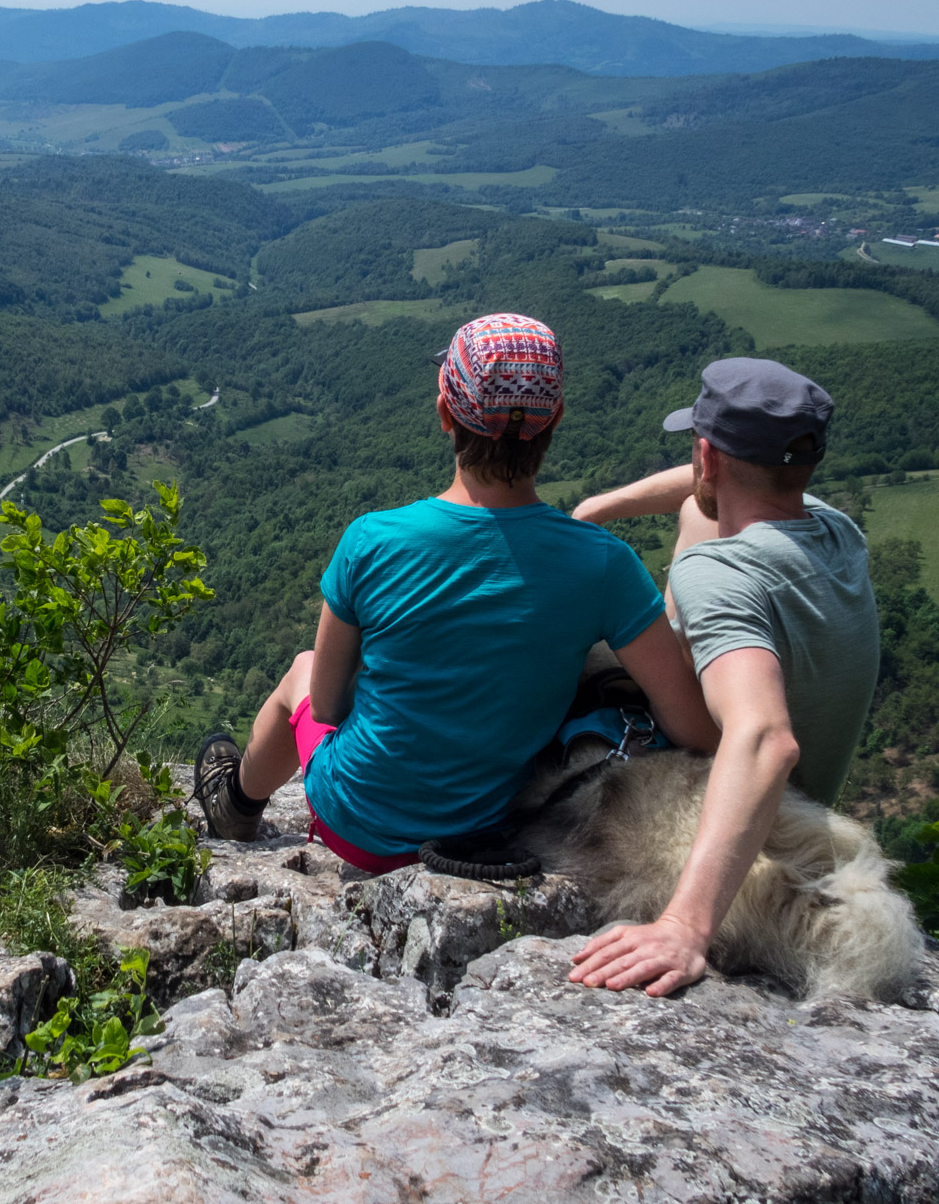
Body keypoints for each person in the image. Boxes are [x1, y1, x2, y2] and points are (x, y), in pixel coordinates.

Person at [192, 314, 720, 872]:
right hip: (487, 829)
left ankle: (236, 805)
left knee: (304, 668)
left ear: (445, 414)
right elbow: (692, 727)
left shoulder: (371, 539)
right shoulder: (605, 563)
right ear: (556, 419)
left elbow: (327, 705)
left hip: (355, 825)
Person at [565, 357, 879, 996]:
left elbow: (765, 737)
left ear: (707, 455)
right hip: (802, 797)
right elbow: (703, 492)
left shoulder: (720, 576)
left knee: (573, 659)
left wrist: (685, 925)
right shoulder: (834, 529)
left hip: (730, 798)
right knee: (696, 517)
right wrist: (599, 508)